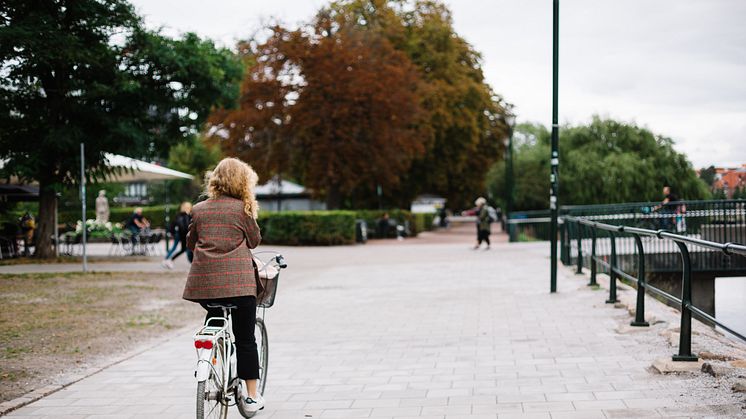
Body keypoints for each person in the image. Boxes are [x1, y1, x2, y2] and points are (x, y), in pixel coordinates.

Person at [182, 158, 265, 413]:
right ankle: (251, 396)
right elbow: (254, 241)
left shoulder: (199, 209)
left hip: (206, 286)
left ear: (215, 180)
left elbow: (190, 242)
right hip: (240, 287)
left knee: (215, 319)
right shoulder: (243, 209)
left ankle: (214, 355)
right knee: (245, 340)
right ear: (243, 182)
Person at [162, 202, 193, 269]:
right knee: (187, 249)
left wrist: (173, 233)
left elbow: (173, 225)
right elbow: (186, 227)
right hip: (184, 235)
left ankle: (168, 260)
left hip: (179, 235)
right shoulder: (187, 216)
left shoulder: (179, 215)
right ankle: (168, 260)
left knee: (182, 249)